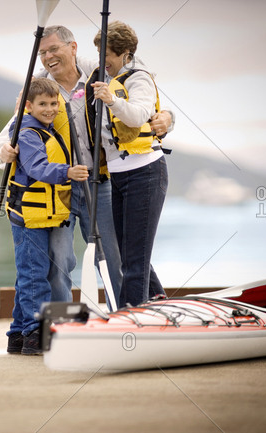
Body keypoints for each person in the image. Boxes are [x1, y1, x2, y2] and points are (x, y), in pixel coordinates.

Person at [0, 25, 174, 310]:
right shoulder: (38, 88)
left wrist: (168, 117)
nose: (48, 57)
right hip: (59, 188)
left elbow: (142, 95)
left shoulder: (99, 73)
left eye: (54, 49)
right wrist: (4, 149)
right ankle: (60, 325)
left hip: (100, 183)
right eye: (43, 53)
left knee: (115, 258)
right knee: (59, 260)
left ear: (73, 47)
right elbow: (9, 132)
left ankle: (128, 317)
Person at [5, 78, 88, 355]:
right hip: (29, 217)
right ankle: (33, 334)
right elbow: (38, 167)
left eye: (54, 104)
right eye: (43, 104)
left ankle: (17, 335)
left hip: (43, 216)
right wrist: (67, 172)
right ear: (28, 106)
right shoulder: (28, 134)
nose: (50, 109)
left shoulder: (47, 130)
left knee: (27, 276)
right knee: (34, 275)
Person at [90, 21, 168, 306]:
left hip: (145, 172)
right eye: (99, 53)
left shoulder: (139, 79)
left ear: (125, 54)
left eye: (106, 54)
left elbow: (137, 117)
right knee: (129, 253)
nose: (102, 60)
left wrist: (111, 101)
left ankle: (129, 319)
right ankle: (158, 300)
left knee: (133, 261)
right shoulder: (105, 73)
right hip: (118, 175)